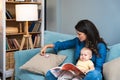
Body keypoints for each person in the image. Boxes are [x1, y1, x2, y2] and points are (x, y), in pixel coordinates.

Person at [40, 19, 108, 80]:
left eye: (79, 34)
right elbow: (63, 44)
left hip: (89, 75)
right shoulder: (77, 41)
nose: (77, 36)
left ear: (88, 34)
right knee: (50, 73)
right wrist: (47, 46)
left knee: (95, 74)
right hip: (76, 74)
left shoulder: (100, 46)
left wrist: (86, 72)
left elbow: (98, 68)